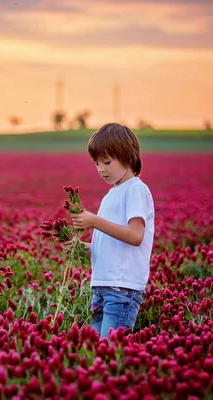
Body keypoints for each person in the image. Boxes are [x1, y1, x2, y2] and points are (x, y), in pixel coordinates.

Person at [68, 123, 155, 339]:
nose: (101, 169)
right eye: (96, 163)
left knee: (109, 351)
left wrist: (95, 221)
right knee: (96, 350)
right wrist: (83, 248)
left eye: (107, 162)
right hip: (103, 286)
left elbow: (135, 236)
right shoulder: (111, 194)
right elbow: (111, 246)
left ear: (127, 156)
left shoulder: (135, 189)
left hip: (121, 288)